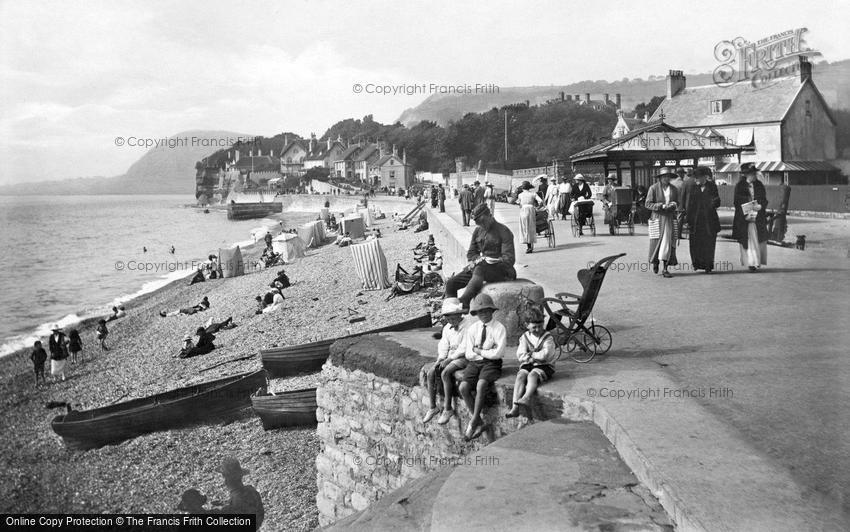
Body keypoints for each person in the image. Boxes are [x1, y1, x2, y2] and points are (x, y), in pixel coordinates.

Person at [444, 204, 517, 309]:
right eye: (479, 223)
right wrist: (479, 259)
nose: (482, 225)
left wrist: (494, 260)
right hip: (480, 266)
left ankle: (464, 302)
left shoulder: (503, 231)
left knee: (479, 269)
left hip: (502, 270)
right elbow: (471, 253)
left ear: (490, 216)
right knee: (451, 283)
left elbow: (509, 258)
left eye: (483, 222)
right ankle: (451, 312)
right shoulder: (478, 231)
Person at [458, 294, 506, 440]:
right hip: (476, 362)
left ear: (492, 311)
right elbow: (469, 352)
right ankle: (478, 421)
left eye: (486, 311)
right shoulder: (473, 329)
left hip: (491, 364)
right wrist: (484, 353)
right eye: (480, 312)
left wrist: (480, 351)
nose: (483, 314)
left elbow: (499, 353)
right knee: (463, 387)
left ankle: (473, 421)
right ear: (476, 314)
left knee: (481, 384)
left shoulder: (499, 328)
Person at [422, 298, 468, 424]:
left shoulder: (468, 326)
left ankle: (448, 408)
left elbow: (465, 347)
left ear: (459, 315)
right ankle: (433, 407)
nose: (451, 321)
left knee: (445, 373)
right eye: (448, 319)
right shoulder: (448, 328)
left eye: (453, 318)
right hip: (449, 356)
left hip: (463, 357)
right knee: (431, 372)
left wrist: (450, 359)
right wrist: (441, 358)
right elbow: (443, 344)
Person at [506, 307, 556, 418]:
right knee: (520, 376)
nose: (538, 330)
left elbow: (545, 355)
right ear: (527, 325)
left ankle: (527, 397)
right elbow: (520, 354)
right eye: (534, 327)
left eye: (540, 326)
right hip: (529, 363)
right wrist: (529, 358)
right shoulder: (524, 337)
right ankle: (515, 407)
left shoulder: (548, 338)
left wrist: (531, 355)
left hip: (545, 365)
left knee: (532, 375)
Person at [208, 458, 264, 531]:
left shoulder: (237, 499)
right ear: (241, 476)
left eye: (224, 476)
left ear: (226, 479)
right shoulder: (251, 491)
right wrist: (224, 503)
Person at [683, 167, 721, 273]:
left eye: (698, 178)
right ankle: (697, 263)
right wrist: (688, 220)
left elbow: (717, 201)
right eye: (695, 178)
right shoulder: (693, 187)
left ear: (704, 177)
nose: (696, 180)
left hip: (709, 221)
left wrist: (713, 203)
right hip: (696, 222)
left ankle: (708, 265)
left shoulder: (712, 186)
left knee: (709, 244)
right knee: (696, 243)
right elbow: (689, 205)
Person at [733, 163, 768, 272]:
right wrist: (747, 211)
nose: (754, 175)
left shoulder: (759, 185)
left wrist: (761, 206)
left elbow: (764, 199)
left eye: (754, 173)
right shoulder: (740, 186)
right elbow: (737, 202)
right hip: (745, 219)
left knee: (758, 239)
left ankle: (756, 262)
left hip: (758, 218)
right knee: (747, 240)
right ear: (746, 175)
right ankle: (750, 262)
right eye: (752, 174)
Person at [645, 167, 680, 277]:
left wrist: (674, 205)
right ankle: (655, 261)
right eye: (664, 177)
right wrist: (660, 206)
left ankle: (665, 268)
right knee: (656, 242)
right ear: (660, 178)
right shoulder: (653, 188)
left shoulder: (674, 189)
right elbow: (648, 204)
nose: (666, 179)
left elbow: (678, 202)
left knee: (668, 242)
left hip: (669, 218)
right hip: (657, 218)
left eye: (668, 177)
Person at [517, 181, 543, 253]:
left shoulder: (520, 195)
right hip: (531, 210)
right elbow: (541, 201)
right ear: (529, 188)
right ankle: (530, 246)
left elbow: (519, 204)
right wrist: (537, 208)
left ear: (523, 188)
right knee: (531, 227)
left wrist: (521, 206)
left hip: (523, 211)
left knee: (525, 228)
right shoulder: (533, 194)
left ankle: (528, 246)